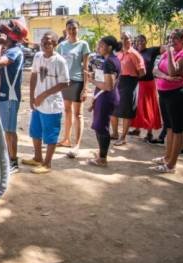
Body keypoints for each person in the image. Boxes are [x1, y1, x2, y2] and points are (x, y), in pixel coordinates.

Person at [22, 32, 70, 174]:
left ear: (55, 44)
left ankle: (47, 163)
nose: (44, 44)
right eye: (43, 41)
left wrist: (43, 95)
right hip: (38, 103)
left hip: (52, 105)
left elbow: (65, 83)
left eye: (48, 42)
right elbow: (34, 75)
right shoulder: (38, 56)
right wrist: (32, 96)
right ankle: (37, 157)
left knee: (50, 135)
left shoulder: (60, 61)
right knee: (35, 131)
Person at [151, 29, 183, 173]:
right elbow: (154, 70)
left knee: (177, 130)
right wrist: (166, 78)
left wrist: (169, 53)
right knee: (169, 127)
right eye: (170, 37)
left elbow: (172, 71)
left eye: (175, 38)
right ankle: (167, 157)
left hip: (178, 95)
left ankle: (171, 165)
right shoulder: (167, 53)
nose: (171, 40)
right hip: (165, 94)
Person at [0, 19, 28, 173]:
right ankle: (8, 158)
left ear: (11, 36)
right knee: (6, 130)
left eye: (4, 34)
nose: (2, 36)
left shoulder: (14, 51)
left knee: (10, 131)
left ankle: (13, 162)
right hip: (3, 96)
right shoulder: (9, 50)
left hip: (9, 97)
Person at [85, 36, 121, 167]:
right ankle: (101, 153)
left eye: (101, 45)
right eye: (98, 45)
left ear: (109, 47)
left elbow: (108, 86)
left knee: (101, 128)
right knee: (100, 126)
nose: (99, 47)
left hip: (107, 97)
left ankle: (102, 159)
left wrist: (92, 80)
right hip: (106, 97)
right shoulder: (112, 59)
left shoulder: (109, 62)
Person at [56, 19, 90, 154]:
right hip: (65, 82)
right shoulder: (62, 46)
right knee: (67, 111)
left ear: (78, 29)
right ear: (66, 30)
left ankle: (77, 144)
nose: (72, 31)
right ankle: (66, 139)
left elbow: (86, 68)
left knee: (78, 114)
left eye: (74, 28)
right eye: (69, 28)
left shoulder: (83, 45)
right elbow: (57, 65)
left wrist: (85, 88)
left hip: (77, 82)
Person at [110, 32, 145, 146]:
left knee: (126, 112)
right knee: (114, 110)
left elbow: (142, 72)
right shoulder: (119, 54)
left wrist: (132, 79)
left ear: (131, 40)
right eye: (122, 38)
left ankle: (123, 137)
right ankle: (115, 133)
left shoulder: (135, 54)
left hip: (130, 84)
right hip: (118, 83)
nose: (124, 41)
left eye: (127, 38)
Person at [129, 35, 163, 143]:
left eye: (142, 40)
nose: (140, 42)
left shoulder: (151, 51)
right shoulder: (133, 52)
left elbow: (164, 48)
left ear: (146, 41)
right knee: (137, 107)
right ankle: (137, 129)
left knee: (149, 108)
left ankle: (149, 133)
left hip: (148, 84)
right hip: (137, 83)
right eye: (138, 41)